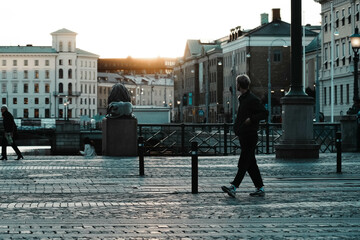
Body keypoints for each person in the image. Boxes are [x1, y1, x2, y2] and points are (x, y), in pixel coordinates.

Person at [222, 74, 267, 198]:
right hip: (245, 135)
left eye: (236, 83)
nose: (235, 85)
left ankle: (234, 187)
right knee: (251, 163)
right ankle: (260, 188)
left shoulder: (251, 99)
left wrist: (251, 120)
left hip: (250, 135)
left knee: (243, 162)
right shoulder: (243, 98)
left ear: (239, 85)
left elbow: (264, 113)